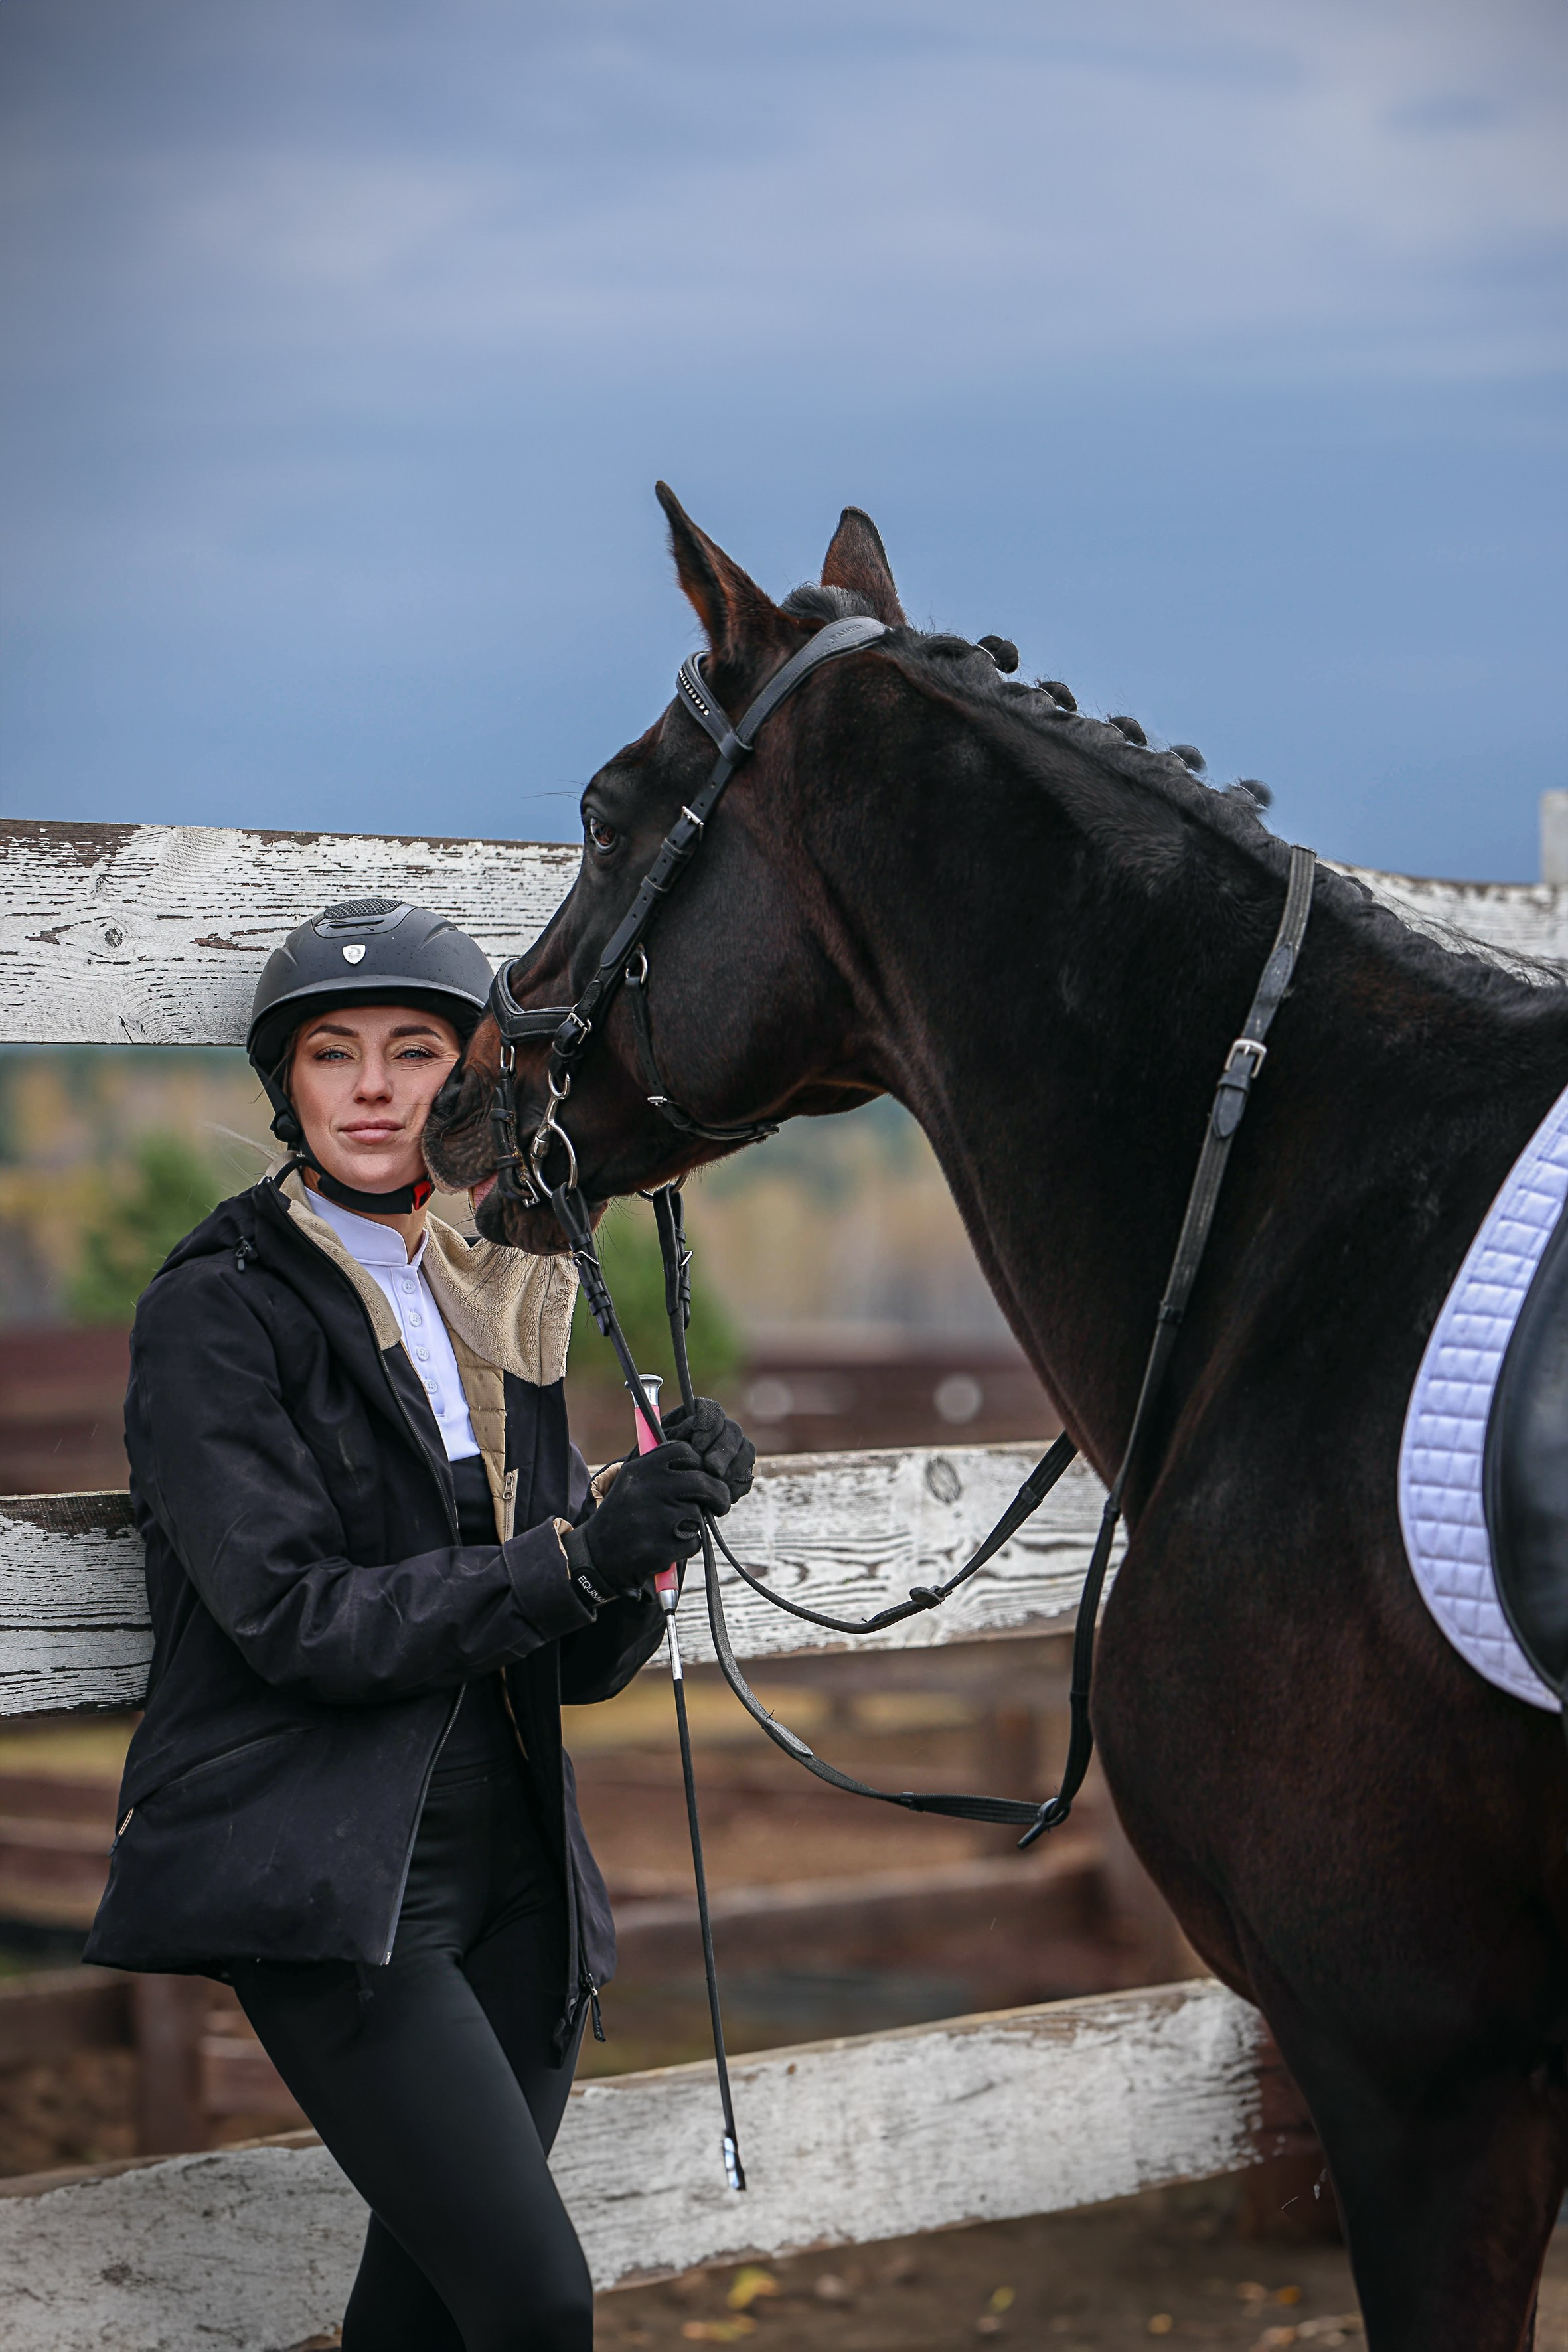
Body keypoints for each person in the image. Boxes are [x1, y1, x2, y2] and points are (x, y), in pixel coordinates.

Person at [85, 896, 755, 2352]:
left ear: (468, 1076)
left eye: (413, 1049)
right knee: (532, 2301)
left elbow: (569, 1661)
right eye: (334, 1053)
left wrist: (650, 1532)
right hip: (332, 1872)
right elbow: (294, 1617)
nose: (375, 1087)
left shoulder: (499, 1289)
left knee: (426, 2313)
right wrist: (575, 1558)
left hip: (518, 1866)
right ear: (289, 1086)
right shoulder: (217, 1310)